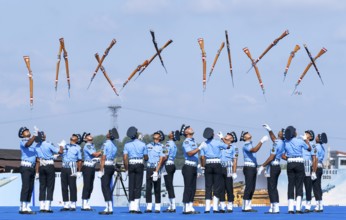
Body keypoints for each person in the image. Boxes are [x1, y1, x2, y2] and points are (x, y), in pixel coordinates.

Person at [281, 126, 311, 214]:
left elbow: (282, 155)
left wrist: (289, 159)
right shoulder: (300, 141)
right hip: (299, 163)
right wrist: (306, 140)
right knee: (299, 186)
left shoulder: (285, 142)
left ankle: (290, 209)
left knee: (290, 185)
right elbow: (309, 148)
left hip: (290, 162)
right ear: (294, 133)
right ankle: (298, 208)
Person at [200, 127, 229, 213]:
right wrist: (222, 137)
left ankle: (207, 208)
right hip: (217, 164)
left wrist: (202, 166)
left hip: (208, 164)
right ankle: (215, 207)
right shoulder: (217, 142)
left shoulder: (203, 144)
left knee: (208, 186)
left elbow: (202, 157)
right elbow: (227, 146)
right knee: (217, 186)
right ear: (212, 134)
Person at [258, 124, 285, 214]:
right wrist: (269, 130)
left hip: (273, 166)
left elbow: (271, 157)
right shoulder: (281, 142)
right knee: (273, 188)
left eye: (281, 132)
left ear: (280, 135)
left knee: (271, 188)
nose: (280, 131)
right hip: (277, 167)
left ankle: (275, 208)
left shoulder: (276, 143)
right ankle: (274, 206)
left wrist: (262, 166)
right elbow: (273, 138)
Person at [240, 130, 268, 212]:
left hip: (252, 167)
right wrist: (261, 141)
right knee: (249, 187)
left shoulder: (250, 144)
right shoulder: (246, 145)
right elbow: (254, 150)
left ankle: (248, 205)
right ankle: (245, 206)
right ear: (244, 138)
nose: (248, 133)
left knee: (252, 187)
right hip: (248, 167)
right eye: (246, 134)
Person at [35, 131, 63, 213]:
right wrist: (61, 146)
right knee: (50, 186)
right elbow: (60, 152)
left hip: (41, 166)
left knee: (42, 186)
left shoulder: (36, 146)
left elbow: (37, 160)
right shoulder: (48, 143)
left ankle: (41, 206)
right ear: (44, 136)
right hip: (49, 165)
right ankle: (47, 207)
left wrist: (37, 172)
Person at [123, 126, 148, 214]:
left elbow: (125, 158)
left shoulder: (127, 144)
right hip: (139, 164)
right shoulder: (143, 144)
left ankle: (131, 207)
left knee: (131, 185)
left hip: (131, 164)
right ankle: (136, 207)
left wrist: (126, 169)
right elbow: (145, 157)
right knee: (138, 186)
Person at [180, 124, 204, 214]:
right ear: (186, 132)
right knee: (188, 187)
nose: (191, 128)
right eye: (188, 128)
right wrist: (199, 148)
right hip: (188, 167)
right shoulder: (186, 142)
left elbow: (196, 157)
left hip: (193, 167)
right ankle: (186, 207)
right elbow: (190, 153)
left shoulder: (193, 141)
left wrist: (198, 168)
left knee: (193, 188)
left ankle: (190, 206)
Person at [60, 133, 82, 211]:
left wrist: (79, 171)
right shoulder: (65, 146)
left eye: (75, 136)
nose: (73, 136)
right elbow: (60, 153)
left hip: (72, 168)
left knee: (72, 186)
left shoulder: (78, 148)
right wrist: (61, 146)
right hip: (64, 167)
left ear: (77, 139)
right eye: (72, 136)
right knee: (64, 186)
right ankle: (66, 204)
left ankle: (73, 204)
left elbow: (79, 160)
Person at [98, 128, 118, 215]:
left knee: (104, 187)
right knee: (108, 187)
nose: (106, 133)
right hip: (111, 166)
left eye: (108, 133)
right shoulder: (114, 145)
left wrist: (101, 170)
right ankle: (110, 206)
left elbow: (103, 158)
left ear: (109, 135)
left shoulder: (105, 144)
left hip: (106, 166)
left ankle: (108, 207)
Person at [18, 126, 38, 214]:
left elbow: (37, 159)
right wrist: (34, 135)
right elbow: (28, 144)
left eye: (27, 130)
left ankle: (27, 206)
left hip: (32, 167)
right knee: (26, 187)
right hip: (25, 166)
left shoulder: (32, 144)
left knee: (30, 188)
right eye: (25, 131)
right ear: (22, 134)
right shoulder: (23, 141)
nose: (27, 132)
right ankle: (22, 207)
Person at [145, 131, 165, 213]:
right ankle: (149, 207)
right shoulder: (148, 145)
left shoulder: (162, 147)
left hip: (157, 168)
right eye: (154, 138)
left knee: (157, 188)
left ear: (159, 138)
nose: (155, 140)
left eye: (156, 138)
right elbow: (145, 156)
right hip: (149, 167)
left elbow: (161, 159)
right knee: (148, 188)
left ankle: (157, 207)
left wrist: (156, 171)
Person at [81, 133, 102, 211]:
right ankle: (84, 203)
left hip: (92, 167)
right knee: (87, 185)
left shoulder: (92, 145)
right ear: (86, 139)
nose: (90, 136)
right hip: (87, 167)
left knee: (90, 186)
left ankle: (87, 202)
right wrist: (102, 151)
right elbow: (94, 154)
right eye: (88, 136)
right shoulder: (87, 145)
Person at [219, 131, 238, 213]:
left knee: (229, 187)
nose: (226, 135)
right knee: (221, 187)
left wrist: (234, 172)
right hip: (220, 167)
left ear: (232, 138)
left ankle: (230, 205)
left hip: (228, 168)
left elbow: (235, 160)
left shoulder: (234, 148)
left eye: (228, 135)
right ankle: (222, 206)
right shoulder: (221, 144)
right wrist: (221, 138)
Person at [162, 130, 180, 213]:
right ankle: (171, 205)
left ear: (172, 136)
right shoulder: (174, 145)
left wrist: (159, 164)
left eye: (171, 133)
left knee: (169, 185)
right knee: (169, 185)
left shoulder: (168, 144)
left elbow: (165, 156)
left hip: (168, 165)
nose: (169, 133)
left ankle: (172, 206)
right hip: (172, 164)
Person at [302, 130, 317, 213]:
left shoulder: (312, 145)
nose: (305, 134)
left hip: (308, 167)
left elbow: (314, 159)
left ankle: (308, 205)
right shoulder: (301, 143)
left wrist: (314, 171)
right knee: (299, 186)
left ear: (310, 136)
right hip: (300, 166)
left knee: (308, 187)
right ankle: (299, 204)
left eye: (307, 133)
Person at [312, 133, 327, 212]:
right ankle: (320, 204)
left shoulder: (316, 146)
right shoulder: (322, 147)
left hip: (316, 167)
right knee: (318, 186)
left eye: (317, 136)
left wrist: (313, 171)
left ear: (319, 139)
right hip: (320, 167)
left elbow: (316, 159)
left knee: (316, 187)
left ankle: (318, 206)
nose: (316, 137)